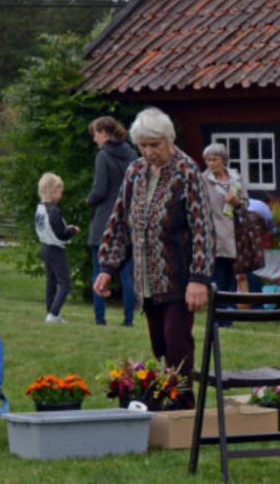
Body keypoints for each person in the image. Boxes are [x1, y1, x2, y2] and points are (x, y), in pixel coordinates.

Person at [93, 108, 213, 408]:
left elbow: (203, 228)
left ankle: (183, 404)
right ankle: (162, 398)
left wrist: (199, 279)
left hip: (179, 277)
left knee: (177, 344)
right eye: (143, 146)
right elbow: (120, 221)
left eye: (155, 145)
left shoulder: (187, 173)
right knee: (159, 344)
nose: (149, 152)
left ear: (169, 139)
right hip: (146, 278)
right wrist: (107, 267)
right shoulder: (134, 172)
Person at [86, 116, 138, 326]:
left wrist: (89, 200)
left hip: (105, 220)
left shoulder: (103, 156)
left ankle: (100, 319)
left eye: (95, 134)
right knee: (127, 275)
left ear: (104, 133)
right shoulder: (132, 154)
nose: (94, 139)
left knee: (99, 270)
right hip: (127, 219)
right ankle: (128, 319)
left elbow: (99, 189)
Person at [201, 142, 248, 327]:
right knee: (218, 279)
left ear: (224, 160)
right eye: (208, 159)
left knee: (230, 279)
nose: (211, 163)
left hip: (235, 236)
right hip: (216, 236)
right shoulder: (203, 180)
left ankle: (228, 318)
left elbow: (245, 206)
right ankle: (219, 320)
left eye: (215, 159)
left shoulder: (235, 178)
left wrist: (236, 202)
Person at [35, 172, 79, 324]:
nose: (61, 194)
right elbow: (61, 234)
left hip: (45, 246)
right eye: (60, 191)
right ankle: (53, 314)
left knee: (51, 282)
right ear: (52, 191)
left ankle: (50, 312)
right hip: (55, 248)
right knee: (65, 282)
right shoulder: (53, 211)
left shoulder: (40, 208)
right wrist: (72, 230)